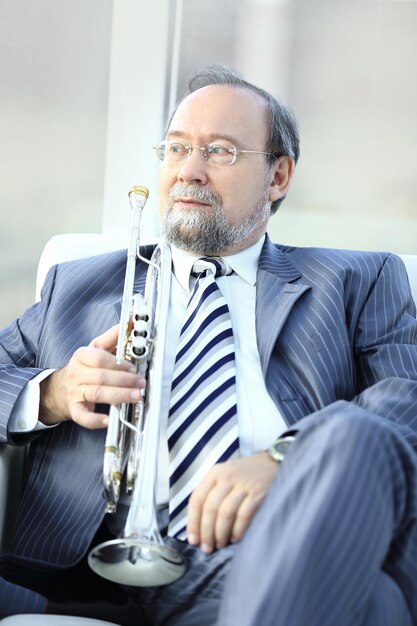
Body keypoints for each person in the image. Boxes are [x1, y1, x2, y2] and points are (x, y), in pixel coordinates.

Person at [0, 63, 416, 626]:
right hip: (79, 578)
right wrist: (52, 392)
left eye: (220, 151)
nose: (188, 172)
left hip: (264, 558)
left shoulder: (358, 280)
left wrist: (289, 459)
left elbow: (405, 401)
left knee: (353, 435)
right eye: (175, 149)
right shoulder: (77, 286)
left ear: (278, 177)